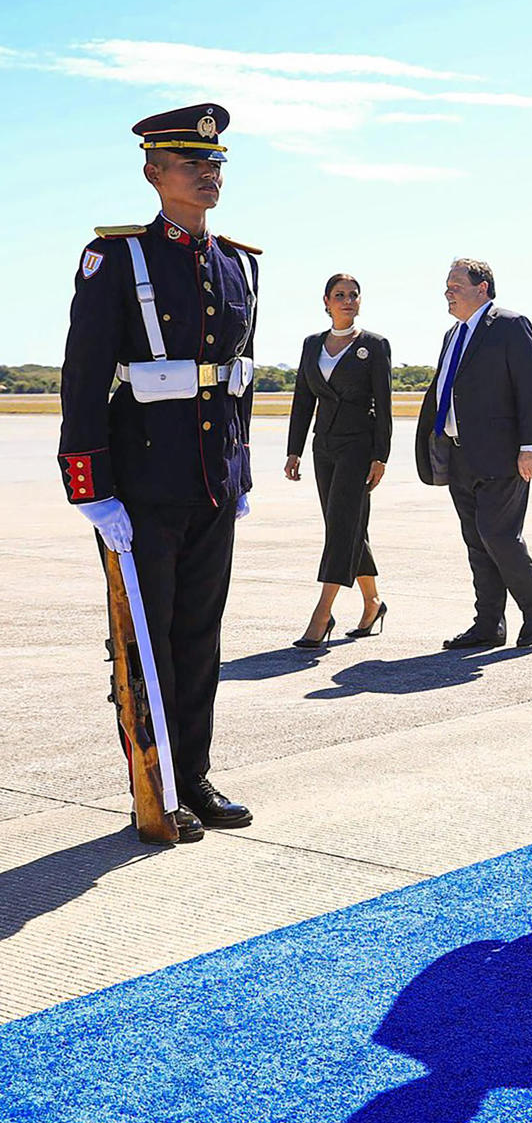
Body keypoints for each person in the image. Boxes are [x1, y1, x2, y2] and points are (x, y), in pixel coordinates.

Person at [59, 103, 260, 841]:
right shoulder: (118, 259)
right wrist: (91, 489)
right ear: (154, 172)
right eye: (191, 163)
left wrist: (239, 473)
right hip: (141, 486)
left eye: (215, 163)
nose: (208, 173)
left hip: (211, 482)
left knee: (198, 635)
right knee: (144, 641)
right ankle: (155, 781)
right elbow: (84, 377)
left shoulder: (237, 263)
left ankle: (194, 774)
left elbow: (234, 379)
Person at [414, 258, 532, 650]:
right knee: (476, 541)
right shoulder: (452, 335)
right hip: (458, 453)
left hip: (502, 455)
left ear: (483, 287)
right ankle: (488, 624)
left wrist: (530, 447)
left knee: (499, 535)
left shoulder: (509, 325)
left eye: (456, 284)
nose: (448, 291)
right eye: (446, 285)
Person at [285, 274, 393, 646]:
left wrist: (381, 455)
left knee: (342, 526)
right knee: (346, 526)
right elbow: (303, 400)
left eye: (353, 295)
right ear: (326, 302)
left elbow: (385, 405)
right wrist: (294, 449)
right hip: (323, 448)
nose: (347, 300)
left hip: (358, 448)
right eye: (339, 295)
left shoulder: (374, 346)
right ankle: (372, 602)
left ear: (359, 302)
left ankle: (322, 613)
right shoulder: (312, 344)